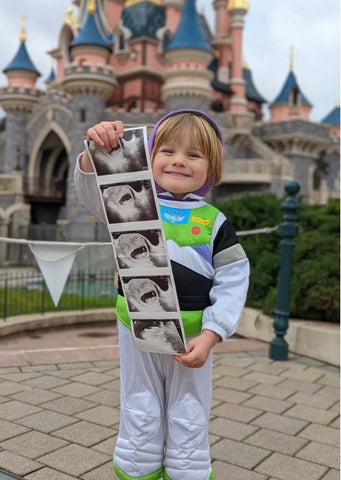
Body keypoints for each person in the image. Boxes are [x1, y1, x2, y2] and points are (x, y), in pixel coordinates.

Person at [74, 109, 250, 480]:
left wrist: (212, 333)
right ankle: (137, 470)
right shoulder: (133, 203)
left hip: (192, 334)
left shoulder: (215, 221)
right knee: (140, 406)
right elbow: (93, 193)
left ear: (211, 168)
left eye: (194, 154)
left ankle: (187, 472)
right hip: (136, 323)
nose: (179, 161)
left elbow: (233, 279)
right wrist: (96, 152)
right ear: (149, 157)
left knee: (188, 411)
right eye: (167, 150)